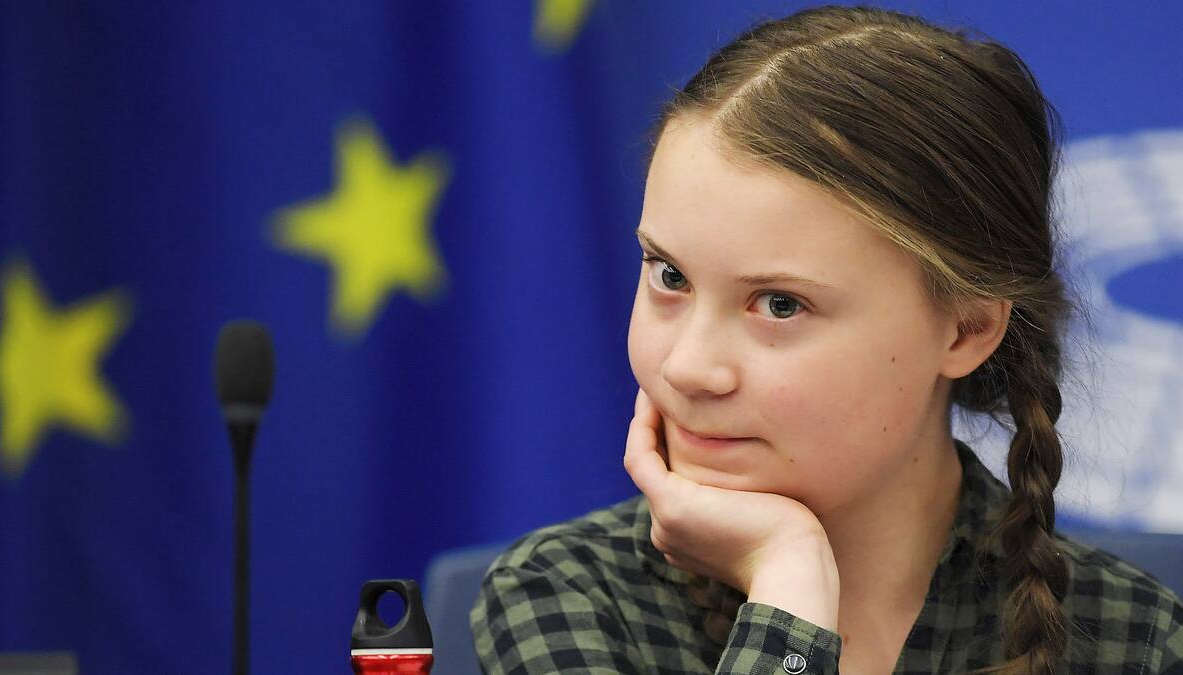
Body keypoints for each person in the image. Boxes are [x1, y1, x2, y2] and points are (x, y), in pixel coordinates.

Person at [470, 5, 1183, 674]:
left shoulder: (1136, 639)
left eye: (779, 304)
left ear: (967, 328)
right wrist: (788, 585)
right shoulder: (565, 594)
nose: (686, 367)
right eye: (669, 275)